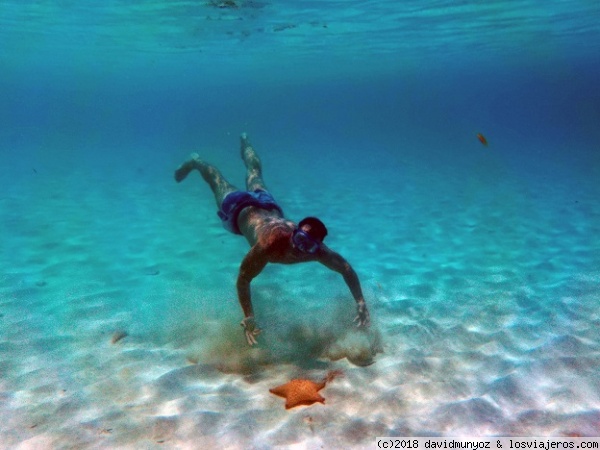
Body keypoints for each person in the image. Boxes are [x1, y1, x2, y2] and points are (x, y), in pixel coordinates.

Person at [174, 133, 371, 345]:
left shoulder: (318, 252)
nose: (299, 248)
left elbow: (345, 268)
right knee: (219, 180)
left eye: (308, 245)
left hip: (268, 206)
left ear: (317, 247)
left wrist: (360, 301)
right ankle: (199, 160)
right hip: (238, 208)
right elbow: (244, 277)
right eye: (299, 239)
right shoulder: (270, 245)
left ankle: (244, 142)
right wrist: (248, 315)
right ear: (293, 232)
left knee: (255, 174)